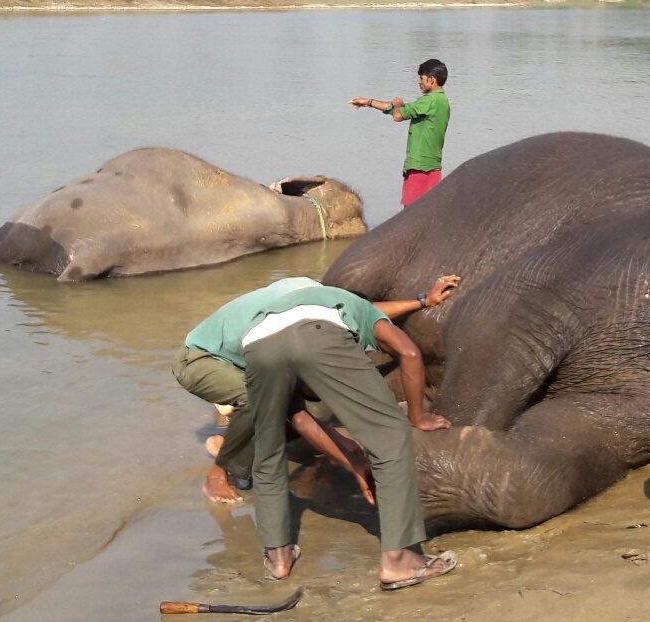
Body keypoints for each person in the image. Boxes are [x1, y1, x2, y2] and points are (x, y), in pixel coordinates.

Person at [242, 281, 458, 590]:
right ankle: (399, 561)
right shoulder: (355, 310)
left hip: (257, 343)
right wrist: (417, 416)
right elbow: (408, 351)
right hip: (315, 334)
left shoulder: (316, 298)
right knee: (391, 433)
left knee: (269, 449)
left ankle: (278, 559)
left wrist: (423, 301)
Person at [173, 274, 460, 503]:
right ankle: (217, 475)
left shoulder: (322, 301)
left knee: (315, 405)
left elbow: (366, 311)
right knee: (261, 399)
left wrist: (423, 301)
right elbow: (299, 416)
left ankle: (234, 438)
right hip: (202, 357)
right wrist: (351, 456)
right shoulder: (304, 313)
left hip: (250, 356)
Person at [350, 58, 451, 207]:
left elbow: (397, 115)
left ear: (431, 80)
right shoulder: (441, 101)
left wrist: (397, 103)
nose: (419, 82)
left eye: (421, 78)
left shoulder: (430, 100)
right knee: (430, 212)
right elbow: (397, 110)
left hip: (419, 166)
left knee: (409, 215)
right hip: (434, 167)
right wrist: (368, 102)